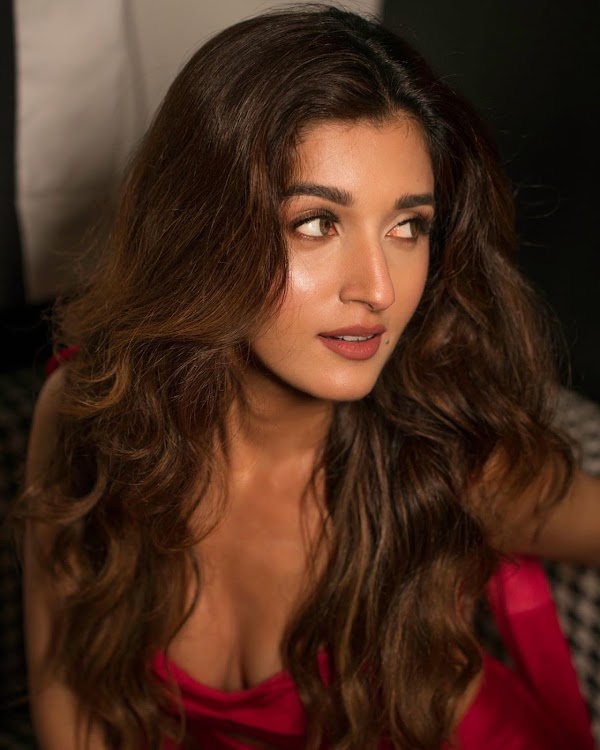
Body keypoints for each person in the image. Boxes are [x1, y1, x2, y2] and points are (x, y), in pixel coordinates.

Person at [15, 5, 600, 750]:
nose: (379, 289)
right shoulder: (87, 417)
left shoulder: (443, 459)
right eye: (318, 223)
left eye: (409, 226)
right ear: (203, 228)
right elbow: (71, 706)